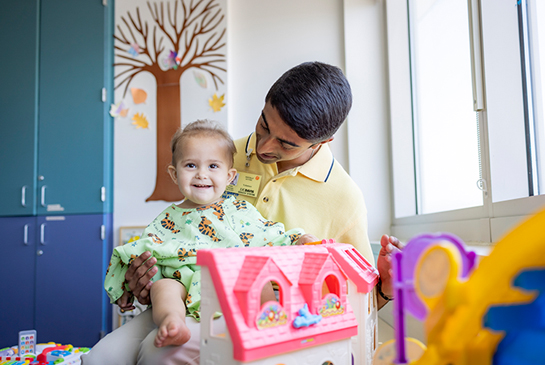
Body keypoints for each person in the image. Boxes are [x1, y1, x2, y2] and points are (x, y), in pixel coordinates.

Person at [88, 62, 403, 365]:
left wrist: (384, 289)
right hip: (186, 294)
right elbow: (179, 231)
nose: (263, 147)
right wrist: (140, 277)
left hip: (261, 313)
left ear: (323, 141)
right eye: (264, 124)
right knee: (101, 358)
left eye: (286, 143)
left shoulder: (343, 198)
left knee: (158, 353)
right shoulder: (219, 153)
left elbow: (356, 300)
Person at [83, 120, 317, 364]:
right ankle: (173, 322)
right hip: (182, 286)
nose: (202, 174)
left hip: (227, 288)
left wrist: (299, 238)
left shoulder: (238, 209)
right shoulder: (165, 218)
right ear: (174, 174)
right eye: (191, 165)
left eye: (213, 166)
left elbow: (269, 234)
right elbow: (137, 252)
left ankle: (270, 334)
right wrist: (124, 288)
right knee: (165, 287)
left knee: (259, 281)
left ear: (229, 176)